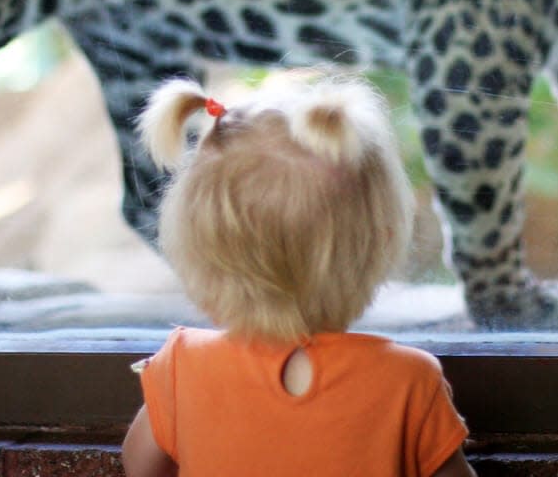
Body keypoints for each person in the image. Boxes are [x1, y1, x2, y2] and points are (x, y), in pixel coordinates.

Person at [122, 76, 476, 477]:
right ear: (380, 244)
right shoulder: (409, 381)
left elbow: (138, 467)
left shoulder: (180, 368)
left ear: (193, 251)